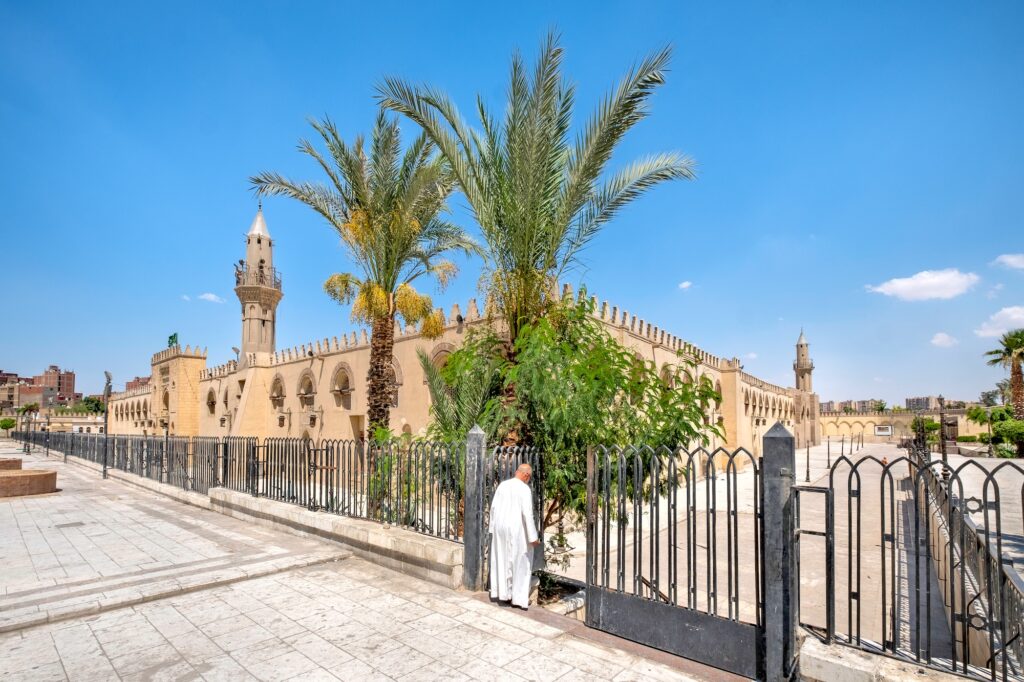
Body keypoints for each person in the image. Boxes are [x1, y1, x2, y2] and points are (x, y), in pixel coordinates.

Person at [489, 463, 539, 609]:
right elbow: (527, 514)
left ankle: (503, 593)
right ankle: (518, 598)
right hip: (516, 529)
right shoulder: (524, 489)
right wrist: (533, 537)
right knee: (520, 563)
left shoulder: (503, 485)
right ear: (526, 475)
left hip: (500, 528)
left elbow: (493, 508)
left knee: (502, 559)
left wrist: (492, 528)